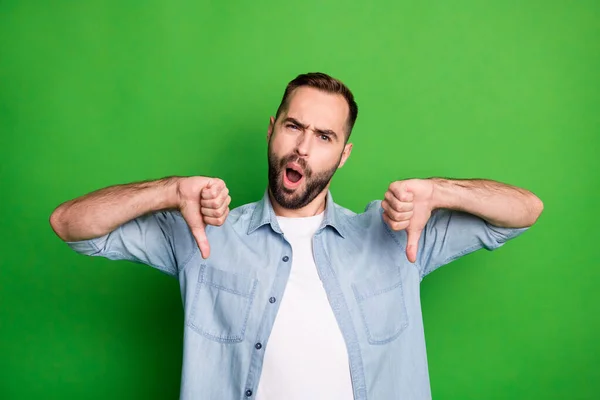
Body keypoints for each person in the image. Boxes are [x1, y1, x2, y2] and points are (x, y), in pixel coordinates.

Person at [49, 72, 544, 400]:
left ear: (343, 154)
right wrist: (167, 190)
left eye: (324, 137)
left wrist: (440, 191)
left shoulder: (396, 235)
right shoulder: (202, 231)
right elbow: (71, 225)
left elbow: (524, 211)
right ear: (272, 131)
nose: (303, 148)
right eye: (293, 126)